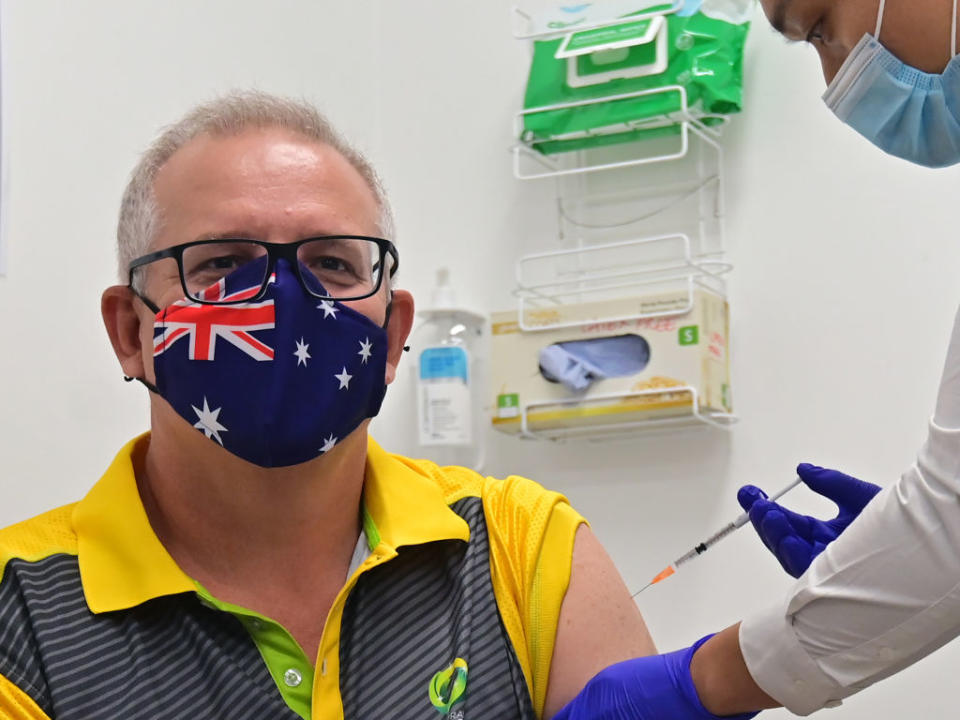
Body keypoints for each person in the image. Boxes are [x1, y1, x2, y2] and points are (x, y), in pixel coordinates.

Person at [0, 93, 658, 720]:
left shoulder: (521, 545)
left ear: (394, 336)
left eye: (334, 264)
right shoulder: (18, 612)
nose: (286, 300)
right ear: (130, 333)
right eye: (223, 262)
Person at [549, 0, 960, 716]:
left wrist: (698, 682)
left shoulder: (531, 531)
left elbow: (953, 525)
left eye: (821, 27)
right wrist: (895, 550)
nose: (836, 77)